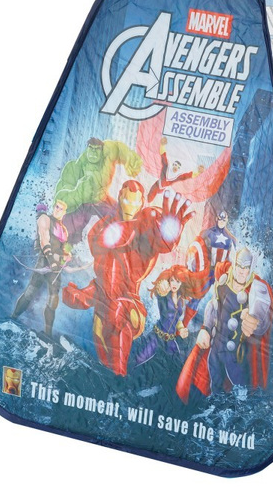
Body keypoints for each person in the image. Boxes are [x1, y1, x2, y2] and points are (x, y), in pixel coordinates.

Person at [62, 181, 194, 376]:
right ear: (119, 198)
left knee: (117, 311)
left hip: (130, 305)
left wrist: (169, 234)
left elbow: (159, 239)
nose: (129, 206)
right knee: (103, 350)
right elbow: (100, 245)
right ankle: (111, 377)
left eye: (134, 202)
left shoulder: (148, 222)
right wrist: (79, 295)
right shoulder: (106, 225)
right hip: (103, 305)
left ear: (141, 202)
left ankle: (120, 375)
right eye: (125, 200)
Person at [176, 247, 273, 402]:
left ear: (250, 268)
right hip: (216, 348)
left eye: (245, 267)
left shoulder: (256, 289)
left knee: (242, 395)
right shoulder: (223, 281)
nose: (241, 271)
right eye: (239, 265)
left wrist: (254, 322)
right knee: (215, 390)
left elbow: (263, 320)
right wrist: (205, 328)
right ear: (234, 264)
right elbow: (213, 306)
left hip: (237, 355)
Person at [54, 137, 143, 243]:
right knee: (71, 227)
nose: (93, 152)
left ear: (101, 150)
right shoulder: (74, 167)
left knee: (120, 216)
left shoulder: (107, 154)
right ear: (87, 148)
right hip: (82, 204)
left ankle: (125, 240)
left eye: (97, 149)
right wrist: (78, 194)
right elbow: (60, 199)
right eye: (91, 148)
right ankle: (68, 244)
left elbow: (118, 149)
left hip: (102, 200)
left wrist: (131, 159)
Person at [12, 200, 70, 337]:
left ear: (64, 212)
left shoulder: (64, 229)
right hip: (44, 262)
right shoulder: (45, 219)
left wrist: (66, 255)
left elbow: (63, 248)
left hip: (56, 268)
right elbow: (44, 239)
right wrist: (51, 260)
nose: (57, 210)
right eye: (56, 207)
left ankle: (48, 334)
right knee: (30, 292)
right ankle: (12, 318)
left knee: (53, 299)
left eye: (61, 208)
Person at [134, 265, 207, 367]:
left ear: (182, 283)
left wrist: (181, 329)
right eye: (172, 280)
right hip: (156, 338)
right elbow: (160, 291)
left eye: (178, 281)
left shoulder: (180, 299)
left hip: (170, 341)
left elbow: (176, 320)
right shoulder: (164, 295)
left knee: (177, 366)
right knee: (139, 360)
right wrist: (162, 285)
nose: (175, 284)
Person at [147, 137, 204, 203]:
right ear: (173, 165)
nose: (176, 168)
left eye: (178, 167)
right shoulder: (166, 167)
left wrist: (198, 172)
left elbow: (188, 175)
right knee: (150, 197)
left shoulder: (178, 176)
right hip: (157, 185)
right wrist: (162, 145)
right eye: (175, 165)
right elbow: (163, 156)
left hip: (163, 189)